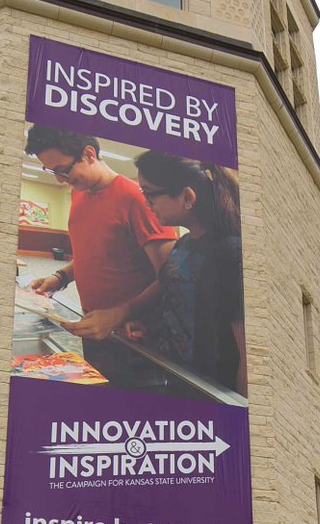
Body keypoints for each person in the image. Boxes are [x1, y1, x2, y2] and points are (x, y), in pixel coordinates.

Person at [23, 125, 176, 387]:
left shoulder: (136, 200)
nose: (60, 179)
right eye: (52, 171)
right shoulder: (79, 192)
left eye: (63, 169)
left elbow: (172, 277)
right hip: (95, 329)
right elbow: (96, 253)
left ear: (89, 154)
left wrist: (120, 314)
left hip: (135, 337)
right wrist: (60, 277)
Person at [130, 151, 245, 396]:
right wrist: (152, 332)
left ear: (187, 197)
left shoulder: (230, 252)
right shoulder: (183, 245)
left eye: (150, 194)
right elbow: (184, 309)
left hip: (211, 393)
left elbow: (248, 355)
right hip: (178, 379)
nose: (146, 203)